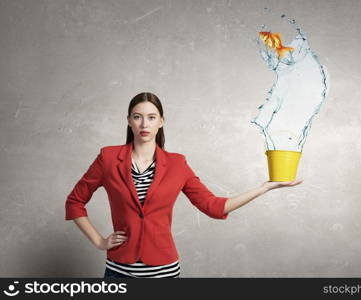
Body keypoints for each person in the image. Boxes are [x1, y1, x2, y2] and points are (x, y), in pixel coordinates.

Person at [65, 92, 303, 278]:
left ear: (161, 121)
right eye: (137, 117)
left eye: (151, 117)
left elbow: (214, 206)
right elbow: (75, 202)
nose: (144, 124)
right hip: (118, 271)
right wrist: (99, 241)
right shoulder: (108, 158)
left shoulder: (178, 164)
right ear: (129, 121)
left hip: (164, 272)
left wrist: (264, 187)